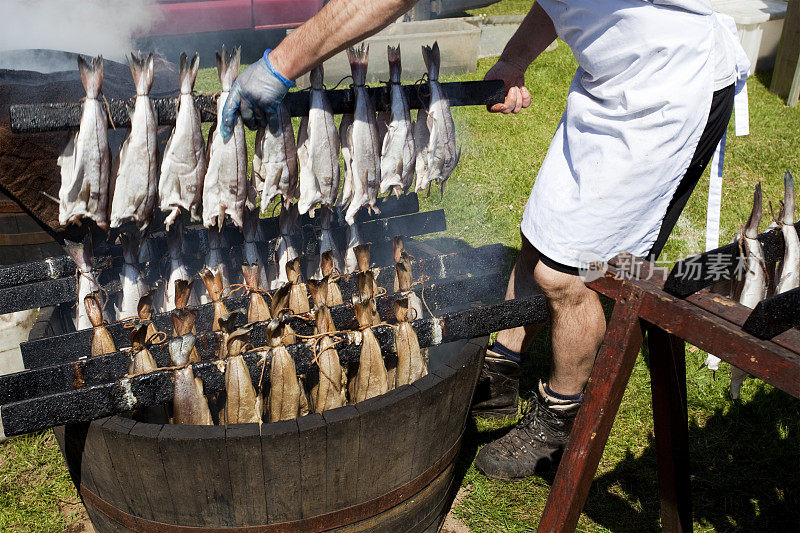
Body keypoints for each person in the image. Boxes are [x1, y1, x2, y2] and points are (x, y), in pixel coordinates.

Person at [221, 0, 748, 481]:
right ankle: (501, 365)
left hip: (669, 90)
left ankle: (557, 420)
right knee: (540, 240)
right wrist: (515, 61)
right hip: (610, 84)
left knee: (569, 274)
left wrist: (280, 64)